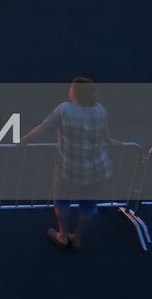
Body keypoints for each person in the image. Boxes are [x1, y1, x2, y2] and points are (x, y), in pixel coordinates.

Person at [19, 77, 120, 250]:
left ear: (73, 92)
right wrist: (115, 143)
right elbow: (106, 137)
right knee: (88, 206)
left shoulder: (64, 110)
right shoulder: (100, 110)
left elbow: (45, 128)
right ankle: (78, 239)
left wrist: (24, 140)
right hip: (98, 171)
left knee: (62, 202)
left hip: (69, 170)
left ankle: (63, 235)